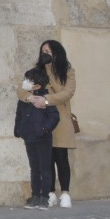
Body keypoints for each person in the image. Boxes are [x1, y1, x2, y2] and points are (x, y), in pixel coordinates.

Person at [17, 40, 76, 208]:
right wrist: (30, 97)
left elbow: (67, 93)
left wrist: (46, 99)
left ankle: (65, 193)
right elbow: (21, 89)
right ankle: (48, 193)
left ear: (57, 53)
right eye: (43, 51)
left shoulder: (68, 72)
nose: (45, 54)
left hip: (60, 118)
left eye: (49, 51)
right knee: (46, 159)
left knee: (61, 157)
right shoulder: (36, 72)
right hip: (41, 120)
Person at [14, 66, 60, 210]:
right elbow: (19, 114)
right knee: (34, 168)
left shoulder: (45, 98)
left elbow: (54, 117)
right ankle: (35, 196)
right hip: (29, 137)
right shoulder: (25, 98)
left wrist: (44, 129)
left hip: (43, 138)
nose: (26, 82)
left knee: (44, 168)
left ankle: (44, 197)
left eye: (29, 80)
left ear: (38, 83)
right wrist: (18, 130)